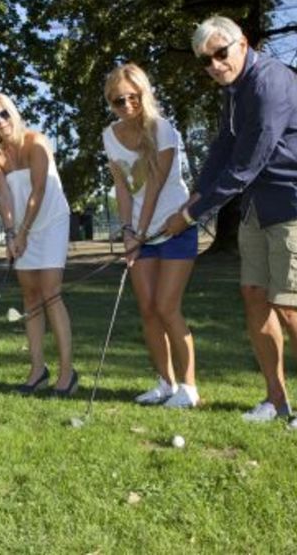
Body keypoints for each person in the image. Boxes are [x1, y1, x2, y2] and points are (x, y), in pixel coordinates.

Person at [164, 15, 297, 431]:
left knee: (290, 304)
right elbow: (223, 149)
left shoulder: (269, 83)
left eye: (221, 53)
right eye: (206, 61)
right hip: (260, 205)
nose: (215, 65)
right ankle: (275, 400)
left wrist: (190, 215)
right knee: (254, 294)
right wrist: (195, 196)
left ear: (242, 43)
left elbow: (245, 165)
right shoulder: (235, 91)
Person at [103, 63, 200, 409]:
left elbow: (156, 184)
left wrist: (140, 233)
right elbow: (123, 187)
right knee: (147, 309)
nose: (126, 104)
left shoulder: (162, 129)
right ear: (110, 102)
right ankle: (164, 383)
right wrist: (128, 230)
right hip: (140, 233)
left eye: (133, 97)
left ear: (144, 95)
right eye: (118, 100)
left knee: (166, 307)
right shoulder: (109, 135)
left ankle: (188, 389)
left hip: (173, 227)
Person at [0, 92, 78, 397]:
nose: (0, 122)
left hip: (49, 221)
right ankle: (38, 370)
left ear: (13, 113)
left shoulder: (37, 142)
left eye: (4, 114)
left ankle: (67, 374)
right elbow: (5, 197)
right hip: (23, 228)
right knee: (29, 294)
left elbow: (38, 191)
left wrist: (23, 233)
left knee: (50, 292)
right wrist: (11, 234)